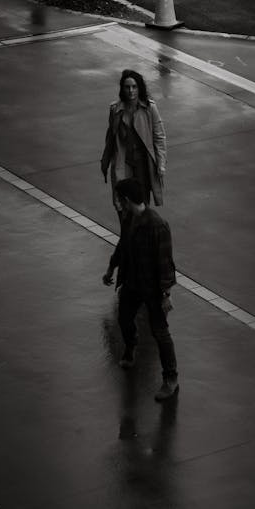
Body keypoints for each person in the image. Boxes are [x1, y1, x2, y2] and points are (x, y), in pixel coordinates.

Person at [102, 178, 179, 402]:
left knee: (160, 332)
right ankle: (131, 345)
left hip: (153, 288)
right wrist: (111, 268)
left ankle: (171, 378)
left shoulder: (157, 226)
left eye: (119, 200)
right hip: (133, 282)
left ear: (126, 200)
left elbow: (166, 263)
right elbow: (122, 245)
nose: (117, 204)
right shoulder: (129, 219)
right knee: (124, 318)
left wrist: (166, 294)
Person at [100, 70, 167, 223]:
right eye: (127, 87)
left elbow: (159, 136)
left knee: (141, 204)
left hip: (143, 165)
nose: (131, 91)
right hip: (123, 163)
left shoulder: (149, 108)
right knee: (121, 202)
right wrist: (105, 162)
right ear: (122, 89)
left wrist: (161, 164)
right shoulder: (115, 110)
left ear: (140, 88)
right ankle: (127, 235)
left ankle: (139, 236)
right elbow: (110, 138)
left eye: (134, 87)